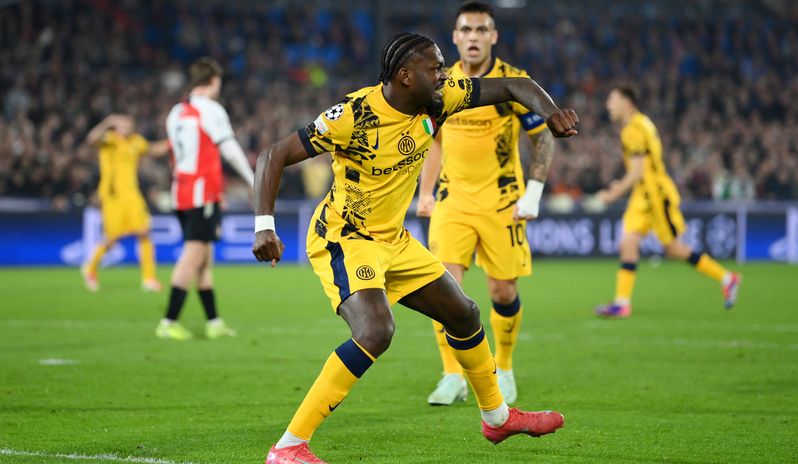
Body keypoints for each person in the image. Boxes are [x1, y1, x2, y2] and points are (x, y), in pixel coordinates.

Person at [253, 32, 578, 464]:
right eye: (435, 68)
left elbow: (513, 86)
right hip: (347, 238)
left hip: (395, 238)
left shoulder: (440, 99)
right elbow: (273, 154)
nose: (446, 74)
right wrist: (264, 227)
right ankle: (288, 448)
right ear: (405, 77)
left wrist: (551, 112)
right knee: (375, 331)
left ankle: (497, 418)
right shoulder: (355, 114)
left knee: (464, 314)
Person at [415, 1, 556, 406]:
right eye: (466, 30)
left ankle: (505, 369)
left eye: (481, 30)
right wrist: (424, 192)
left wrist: (534, 192)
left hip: (502, 202)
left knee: (503, 292)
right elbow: (434, 142)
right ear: (455, 36)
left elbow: (543, 135)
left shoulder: (514, 81)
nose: (473, 37)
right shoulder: (440, 83)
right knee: (443, 290)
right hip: (452, 201)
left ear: (493, 36)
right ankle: (452, 375)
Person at [594, 84, 741, 317]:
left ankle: (727, 278)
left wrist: (612, 194)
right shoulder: (643, 123)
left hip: (655, 195)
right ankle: (622, 303)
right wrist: (623, 186)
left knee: (673, 249)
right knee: (628, 242)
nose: (608, 105)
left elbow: (638, 172)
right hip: (642, 195)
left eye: (612, 99)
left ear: (627, 102)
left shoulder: (633, 129)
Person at [155, 57, 255, 340]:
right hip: (202, 193)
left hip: (182, 191)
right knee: (193, 254)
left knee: (204, 258)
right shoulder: (210, 109)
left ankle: (213, 322)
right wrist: (252, 179)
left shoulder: (176, 111)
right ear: (213, 81)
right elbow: (229, 148)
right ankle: (168, 321)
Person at [81, 114, 168, 292]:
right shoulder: (108, 140)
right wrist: (106, 123)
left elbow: (153, 149)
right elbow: (90, 140)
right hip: (113, 196)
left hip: (133, 195)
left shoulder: (136, 141)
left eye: (129, 125)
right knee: (111, 240)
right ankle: (90, 268)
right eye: (122, 125)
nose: (126, 128)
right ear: (116, 127)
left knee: (144, 232)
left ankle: (149, 279)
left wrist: (172, 140)